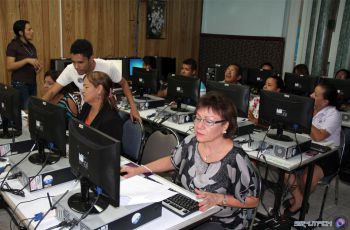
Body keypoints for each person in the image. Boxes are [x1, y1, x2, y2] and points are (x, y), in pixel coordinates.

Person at [121, 91, 260, 229]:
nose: (199, 125)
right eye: (198, 118)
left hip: (220, 220)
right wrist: (139, 169)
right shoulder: (191, 141)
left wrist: (219, 199)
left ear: (225, 126)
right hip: (188, 207)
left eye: (209, 121)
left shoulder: (236, 158)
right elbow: (172, 161)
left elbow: (252, 200)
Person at [42, 39, 140, 122]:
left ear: (91, 58)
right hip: (87, 111)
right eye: (73, 62)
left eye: (80, 62)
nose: (76, 67)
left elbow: (124, 83)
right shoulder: (70, 69)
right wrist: (37, 110)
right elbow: (51, 92)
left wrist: (133, 107)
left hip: (106, 112)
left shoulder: (108, 67)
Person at [284, 82, 341, 216]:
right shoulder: (309, 106)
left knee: (306, 178)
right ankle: (299, 199)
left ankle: (297, 200)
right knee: (285, 170)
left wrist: (306, 115)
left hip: (327, 154)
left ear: (326, 101)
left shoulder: (334, 114)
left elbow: (319, 137)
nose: (310, 95)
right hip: (306, 147)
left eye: (315, 94)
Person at [6, 20, 42, 110]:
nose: (32, 31)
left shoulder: (31, 46)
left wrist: (37, 68)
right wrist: (26, 60)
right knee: (24, 111)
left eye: (31, 29)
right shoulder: (13, 45)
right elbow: (9, 66)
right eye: (29, 29)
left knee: (31, 110)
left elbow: (33, 63)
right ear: (21, 33)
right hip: (20, 84)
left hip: (32, 83)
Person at [78, 71, 123, 141]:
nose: (83, 91)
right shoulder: (87, 106)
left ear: (99, 89)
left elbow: (108, 149)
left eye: (86, 87)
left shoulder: (111, 120)